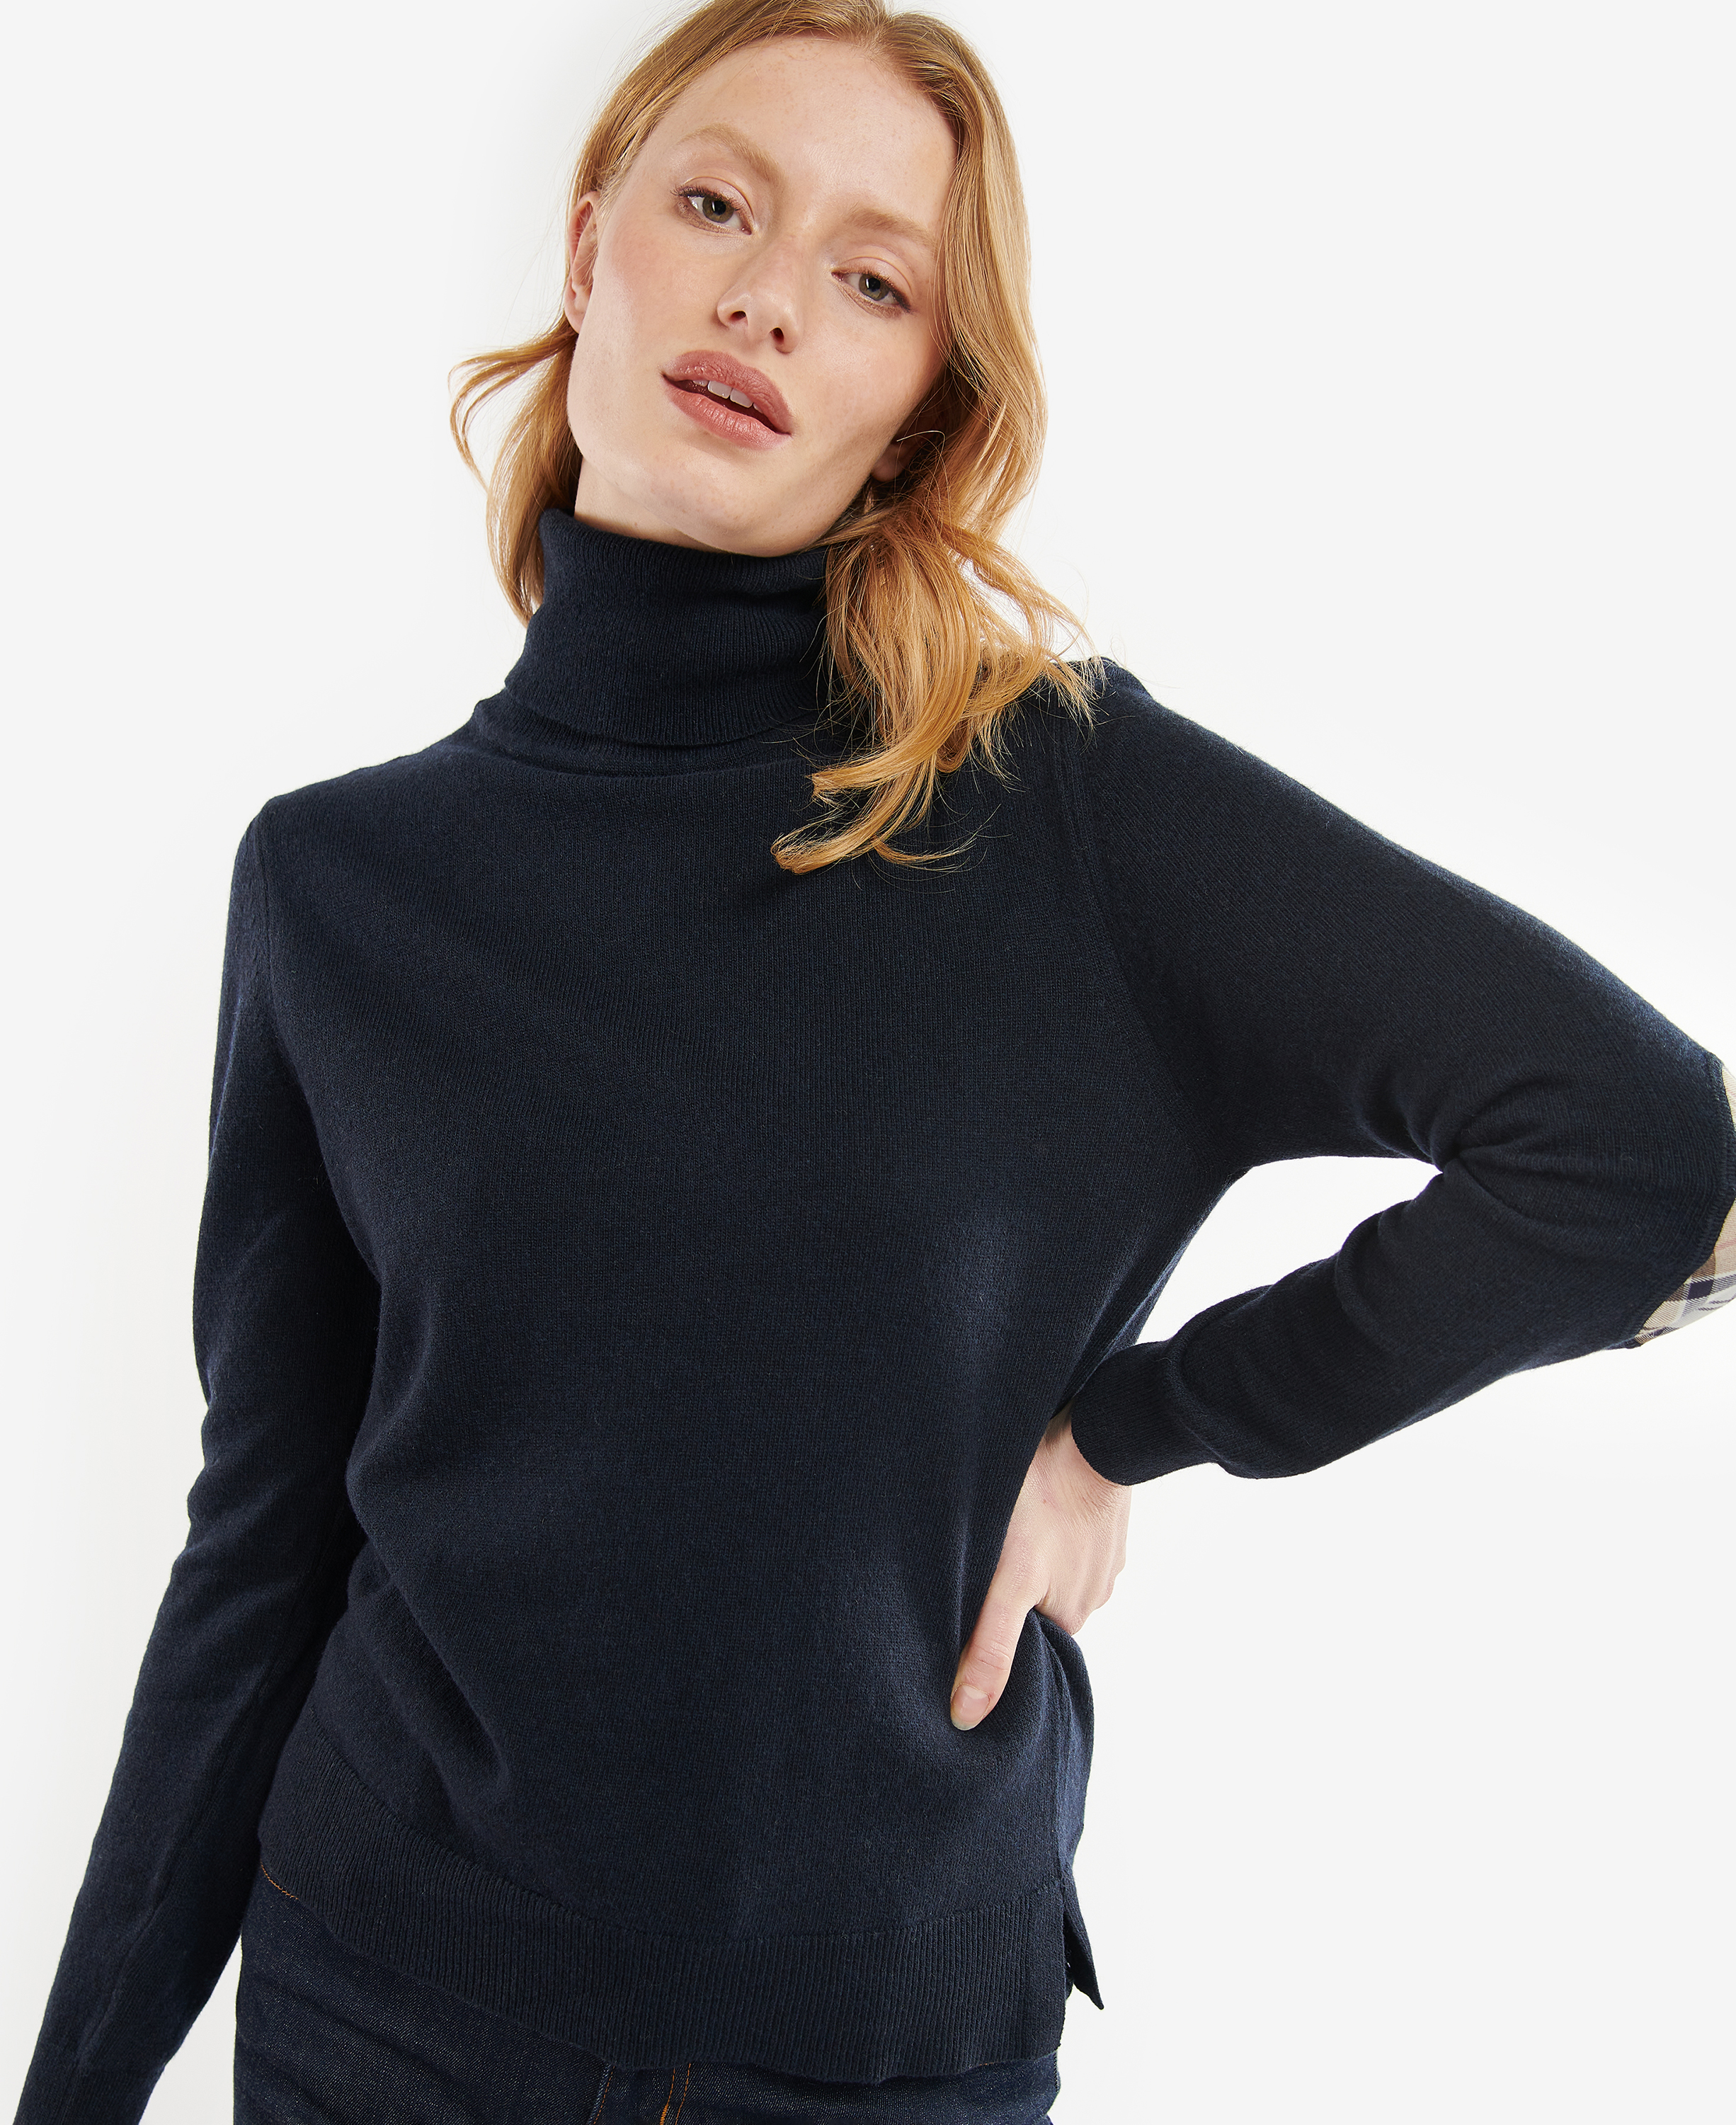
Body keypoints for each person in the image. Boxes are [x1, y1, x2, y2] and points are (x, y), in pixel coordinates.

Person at [15, 0, 1733, 2119]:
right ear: (588, 248)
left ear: (921, 408)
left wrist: (1132, 1427)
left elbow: (1643, 1153)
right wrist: (75, 2087)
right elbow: (265, 1539)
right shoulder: (338, 884)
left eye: (872, 281)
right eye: (715, 205)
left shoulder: (1064, 806)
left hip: (880, 2051)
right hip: (379, 2010)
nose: (766, 299)